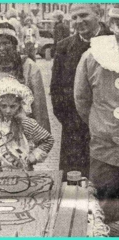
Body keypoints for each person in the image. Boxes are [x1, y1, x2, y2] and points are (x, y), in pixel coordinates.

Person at [50, 4, 112, 181]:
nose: (79, 21)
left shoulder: (114, 42)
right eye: (74, 17)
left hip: (110, 133)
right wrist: (71, 122)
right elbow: (56, 91)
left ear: (99, 15)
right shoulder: (64, 47)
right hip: (75, 132)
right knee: (74, 188)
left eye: (84, 15)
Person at [74, 5, 119, 235]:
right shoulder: (92, 56)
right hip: (104, 151)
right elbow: (82, 101)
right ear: (111, 25)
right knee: (106, 210)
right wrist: (101, 127)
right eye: (118, 22)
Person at [0, 77, 54, 172]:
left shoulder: (26, 123)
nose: (8, 111)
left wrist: (32, 157)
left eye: (13, 106)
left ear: (20, 105)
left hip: (22, 173)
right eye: (3, 106)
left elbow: (48, 140)